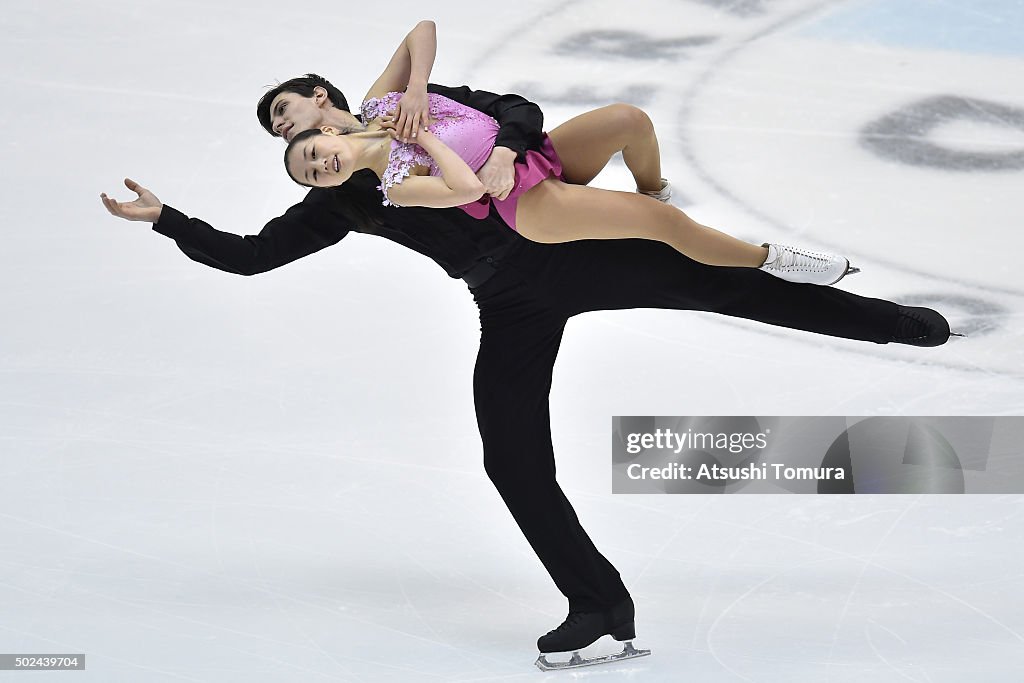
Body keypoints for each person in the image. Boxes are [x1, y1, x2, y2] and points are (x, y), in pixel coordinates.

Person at [99, 24, 955, 671]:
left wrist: (506, 152)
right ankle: (600, 605)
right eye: (300, 156)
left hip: (571, 242)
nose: (312, 156)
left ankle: (894, 322)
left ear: (324, 103)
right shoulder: (341, 203)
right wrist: (168, 219)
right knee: (510, 458)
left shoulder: (407, 106)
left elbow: (516, 112)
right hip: (510, 298)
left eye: (302, 130)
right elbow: (251, 255)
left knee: (739, 289)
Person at [283, 21, 857, 286]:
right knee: (663, 226)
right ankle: (773, 262)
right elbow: (469, 190)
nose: (321, 168)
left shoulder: (381, 102)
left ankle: (651, 191)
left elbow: (422, 28)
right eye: (314, 177)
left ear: (327, 133)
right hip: (528, 204)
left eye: (312, 155)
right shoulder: (396, 184)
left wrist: (413, 90)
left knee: (628, 120)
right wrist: (423, 136)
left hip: (534, 155)